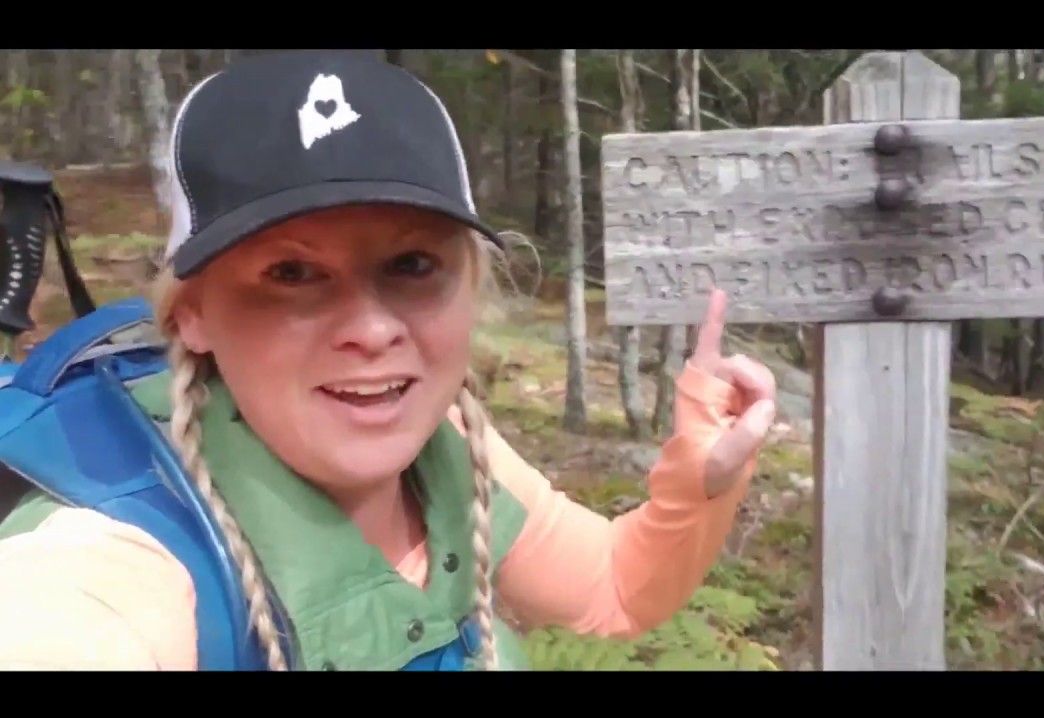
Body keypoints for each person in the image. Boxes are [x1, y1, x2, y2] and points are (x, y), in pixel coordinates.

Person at [0, 50, 778, 671]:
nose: (371, 330)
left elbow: (610, 589)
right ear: (193, 314)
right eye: (292, 274)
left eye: (411, 265)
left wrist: (698, 482)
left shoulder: (451, 448)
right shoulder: (121, 561)